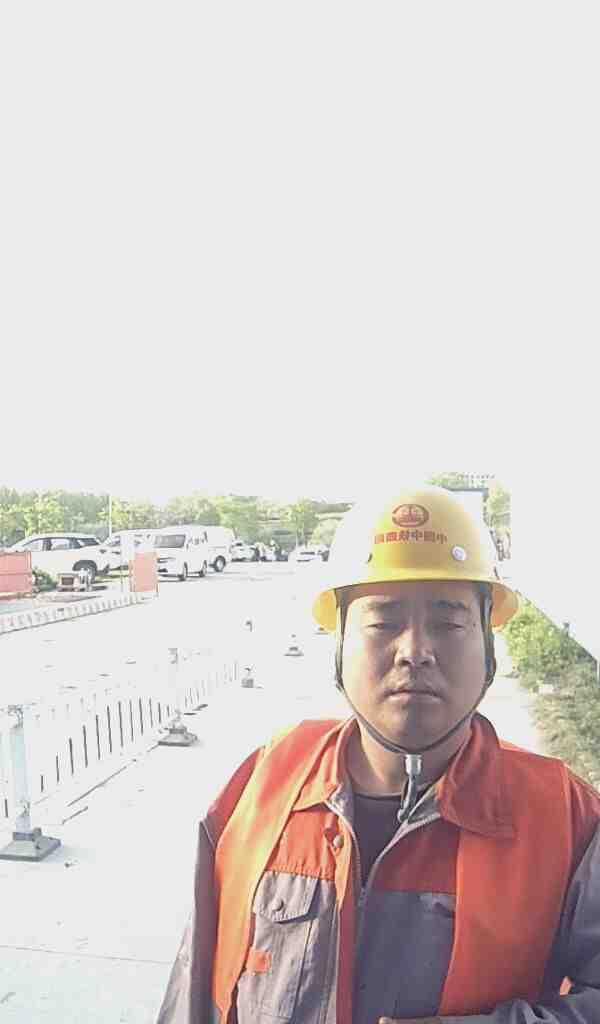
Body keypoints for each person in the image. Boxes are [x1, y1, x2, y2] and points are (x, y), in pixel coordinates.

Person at [157, 485, 600, 1024]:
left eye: (449, 622)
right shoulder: (264, 781)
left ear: (488, 647)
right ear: (340, 644)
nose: (415, 651)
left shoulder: (565, 816)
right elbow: (195, 982)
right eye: (383, 621)